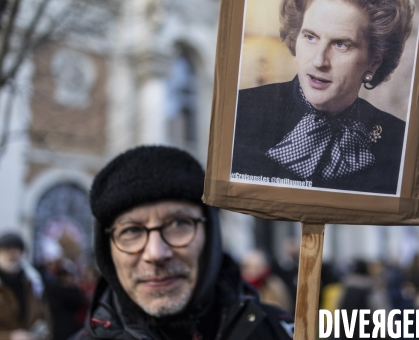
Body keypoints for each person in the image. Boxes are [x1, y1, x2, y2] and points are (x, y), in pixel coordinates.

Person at [232, 0, 414, 194]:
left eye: (341, 44)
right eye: (310, 37)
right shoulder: (240, 113)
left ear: (374, 61)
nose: (319, 61)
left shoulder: (399, 142)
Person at [72, 145, 293, 340]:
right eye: (132, 230)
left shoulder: (288, 333)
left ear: (210, 236)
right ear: (107, 251)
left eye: (178, 224)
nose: (156, 253)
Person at [0, 233, 51, 340]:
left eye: (18, 250)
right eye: (7, 250)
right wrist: (9, 337)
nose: (13, 254)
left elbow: (45, 320)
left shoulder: (34, 284)